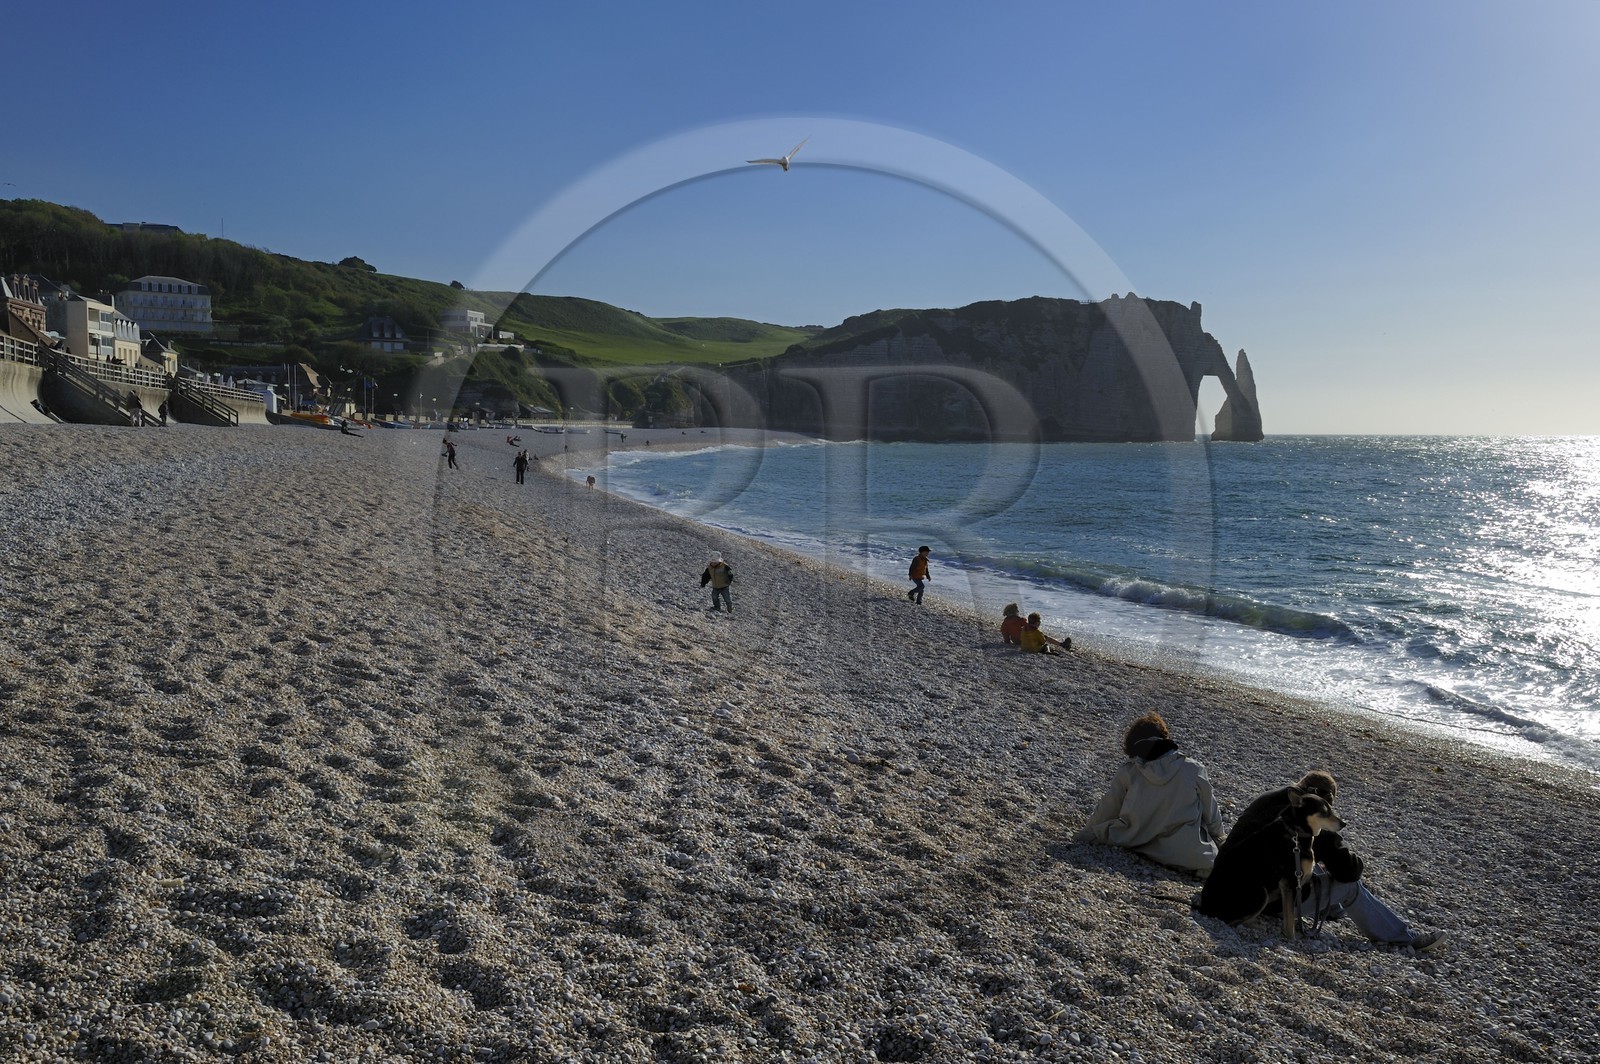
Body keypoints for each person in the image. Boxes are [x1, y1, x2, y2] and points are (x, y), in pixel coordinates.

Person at [1201, 771, 1446, 950]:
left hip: (1224, 887)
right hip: (1264, 901)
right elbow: (1349, 872)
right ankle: (1403, 936)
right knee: (1349, 887)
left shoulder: (1268, 798)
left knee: (1304, 860)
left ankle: (1333, 909)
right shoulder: (1312, 818)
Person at [1075, 712, 1224, 875]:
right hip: (1186, 853)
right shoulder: (1193, 769)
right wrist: (1220, 839)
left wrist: (1088, 832)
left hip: (1133, 838)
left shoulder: (1129, 771)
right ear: (1164, 737)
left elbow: (1108, 808)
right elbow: (1211, 814)